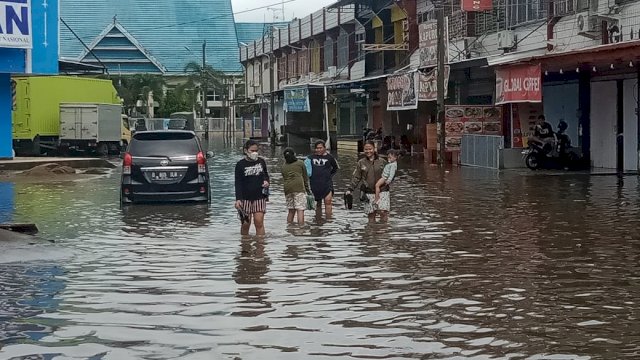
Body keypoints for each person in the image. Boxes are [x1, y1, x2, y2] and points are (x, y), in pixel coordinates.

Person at [346, 141, 389, 223]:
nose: (368, 151)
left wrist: (389, 181)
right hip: (368, 191)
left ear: (374, 149)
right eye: (366, 149)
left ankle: (383, 233)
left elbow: (391, 173)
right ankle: (371, 233)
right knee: (371, 214)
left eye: (370, 149)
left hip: (382, 190)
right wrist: (350, 189)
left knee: (383, 212)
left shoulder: (382, 161)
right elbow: (356, 177)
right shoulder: (361, 162)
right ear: (363, 150)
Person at [235, 140, 270, 236]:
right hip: (245, 198)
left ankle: (260, 246)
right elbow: (238, 182)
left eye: (256, 150)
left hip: (260, 196)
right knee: (245, 224)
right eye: (252, 150)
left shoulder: (261, 161)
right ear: (246, 150)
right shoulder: (240, 164)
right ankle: (245, 244)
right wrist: (238, 199)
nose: (254, 153)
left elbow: (266, 175)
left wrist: (267, 182)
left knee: (259, 222)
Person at [306, 140, 339, 218]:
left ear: (324, 148)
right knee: (318, 203)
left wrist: (329, 175)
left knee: (328, 201)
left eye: (320, 148)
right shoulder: (310, 158)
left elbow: (335, 168)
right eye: (317, 148)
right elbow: (307, 170)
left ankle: (328, 221)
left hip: (327, 183)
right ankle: (318, 219)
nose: (318, 150)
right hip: (315, 184)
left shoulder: (330, 157)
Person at [281, 147, 310, 224]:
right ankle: (301, 228)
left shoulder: (284, 166)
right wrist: (308, 191)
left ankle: (289, 227)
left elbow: (284, 177)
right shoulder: (300, 163)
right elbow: (305, 177)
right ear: (294, 155)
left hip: (287, 189)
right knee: (300, 209)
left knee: (291, 210)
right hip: (298, 188)